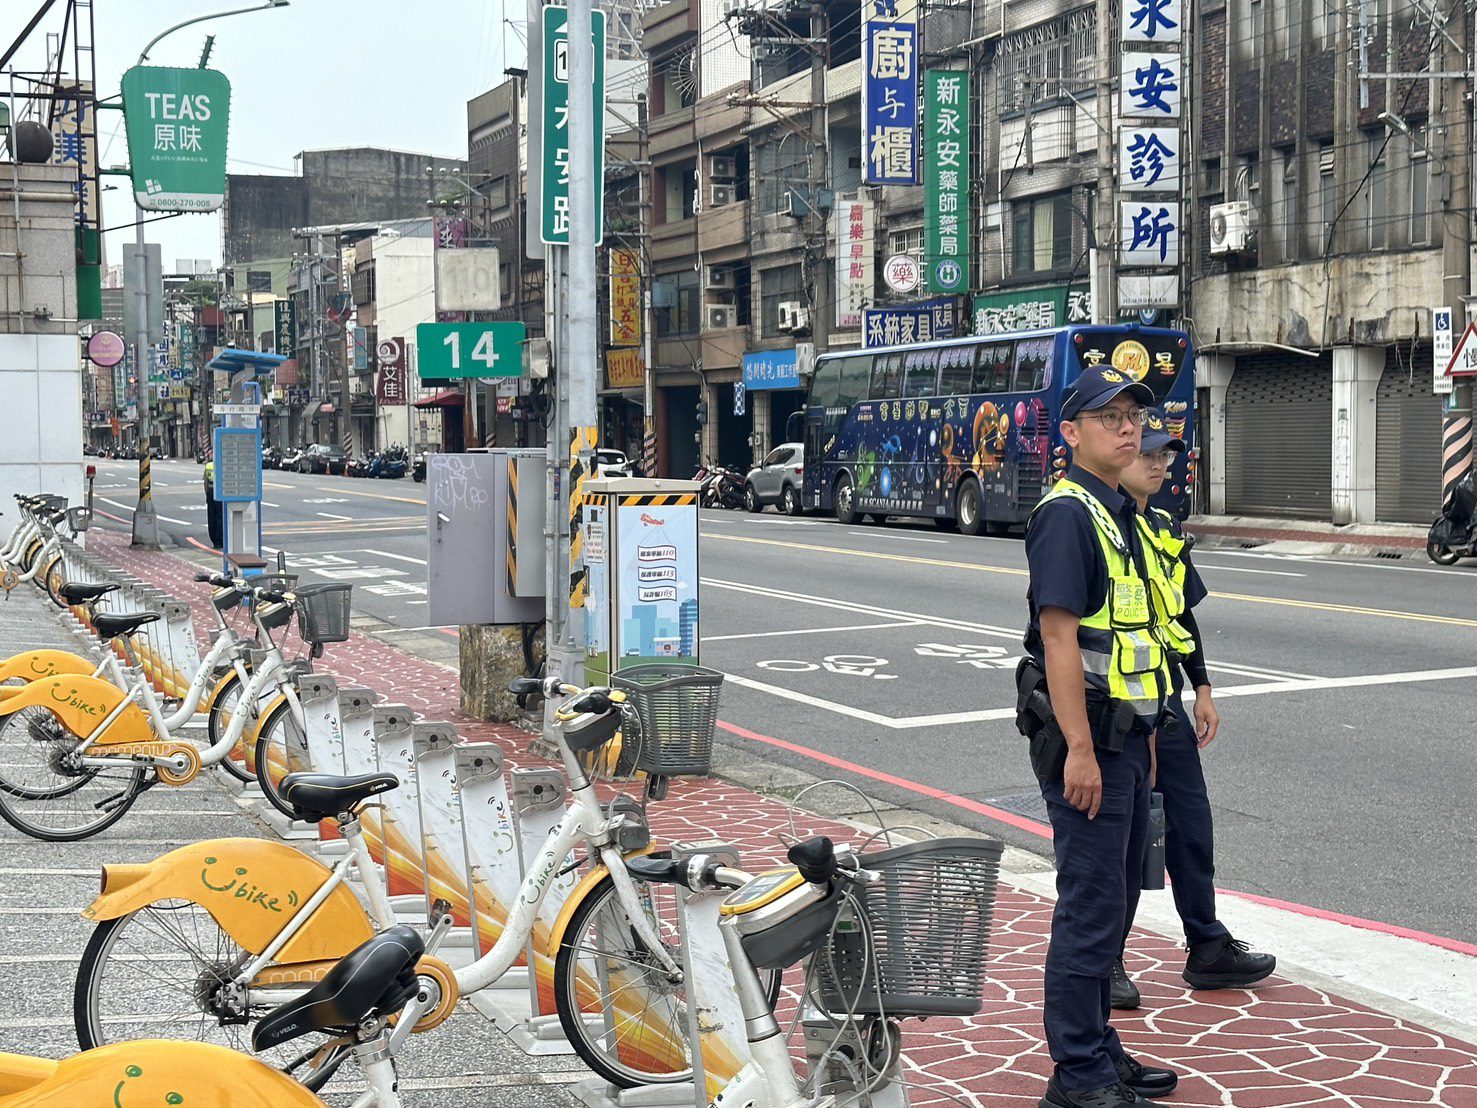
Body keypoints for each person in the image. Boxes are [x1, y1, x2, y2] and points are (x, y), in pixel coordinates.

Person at [1018, 365, 1179, 1108]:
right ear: (1072, 432)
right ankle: (1075, 1072)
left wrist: (1144, 738)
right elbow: (1059, 641)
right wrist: (1081, 749)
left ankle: (1099, 1050)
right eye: (1107, 415)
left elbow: (1134, 638)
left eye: (1132, 415)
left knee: (1110, 903)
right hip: (1087, 745)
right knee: (1088, 907)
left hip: (1125, 739)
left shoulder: (1122, 510)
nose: (1126, 426)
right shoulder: (1068, 513)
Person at [1109, 407, 1276, 1010]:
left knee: (1190, 825)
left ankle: (1205, 945)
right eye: (1146, 452)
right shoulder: (1092, 523)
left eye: (1164, 455)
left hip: (1166, 703)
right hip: (1116, 713)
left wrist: (1201, 687)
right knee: (1123, 843)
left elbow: (1179, 613)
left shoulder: (1163, 524)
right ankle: (1107, 961)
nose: (1157, 463)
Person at [203, 457, 223, 549]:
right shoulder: (221, 465)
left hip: (210, 493)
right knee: (220, 517)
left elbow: (205, 482)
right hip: (219, 493)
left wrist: (207, 494)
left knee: (211, 517)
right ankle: (220, 540)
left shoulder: (208, 466)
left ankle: (214, 539)